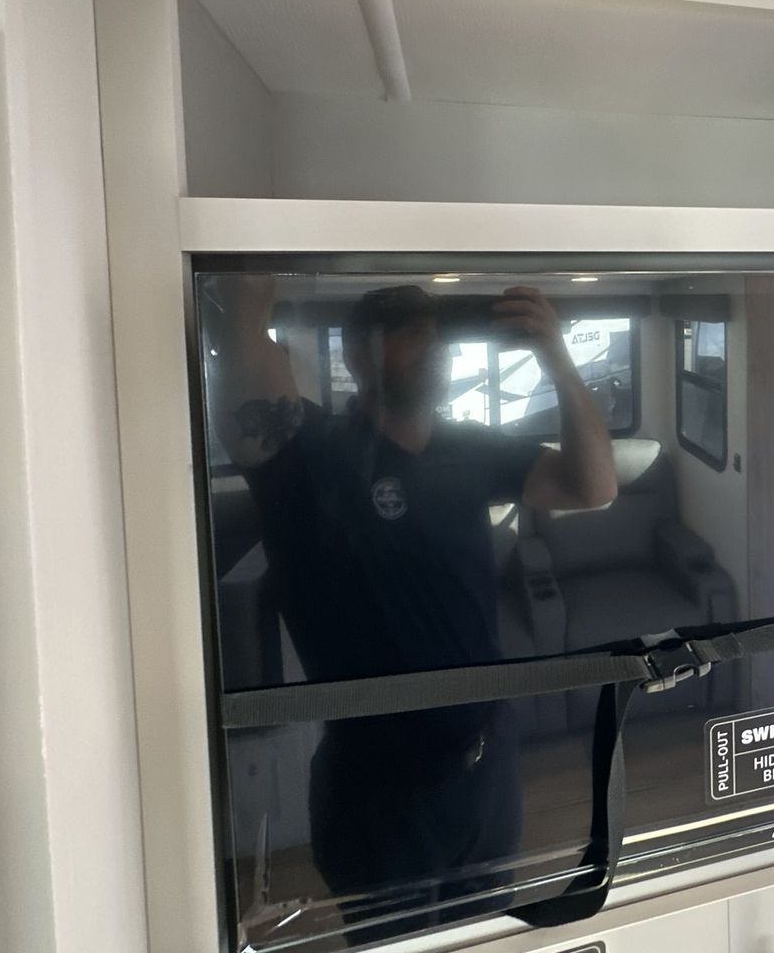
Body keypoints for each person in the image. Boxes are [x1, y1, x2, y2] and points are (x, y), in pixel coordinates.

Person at [207, 277, 617, 922]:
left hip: (487, 769)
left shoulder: (470, 447)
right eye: (410, 334)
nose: (433, 347)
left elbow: (593, 486)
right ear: (357, 354)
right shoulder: (307, 453)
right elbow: (243, 328)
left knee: (489, 937)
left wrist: (557, 359)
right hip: (377, 796)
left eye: (437, 335)